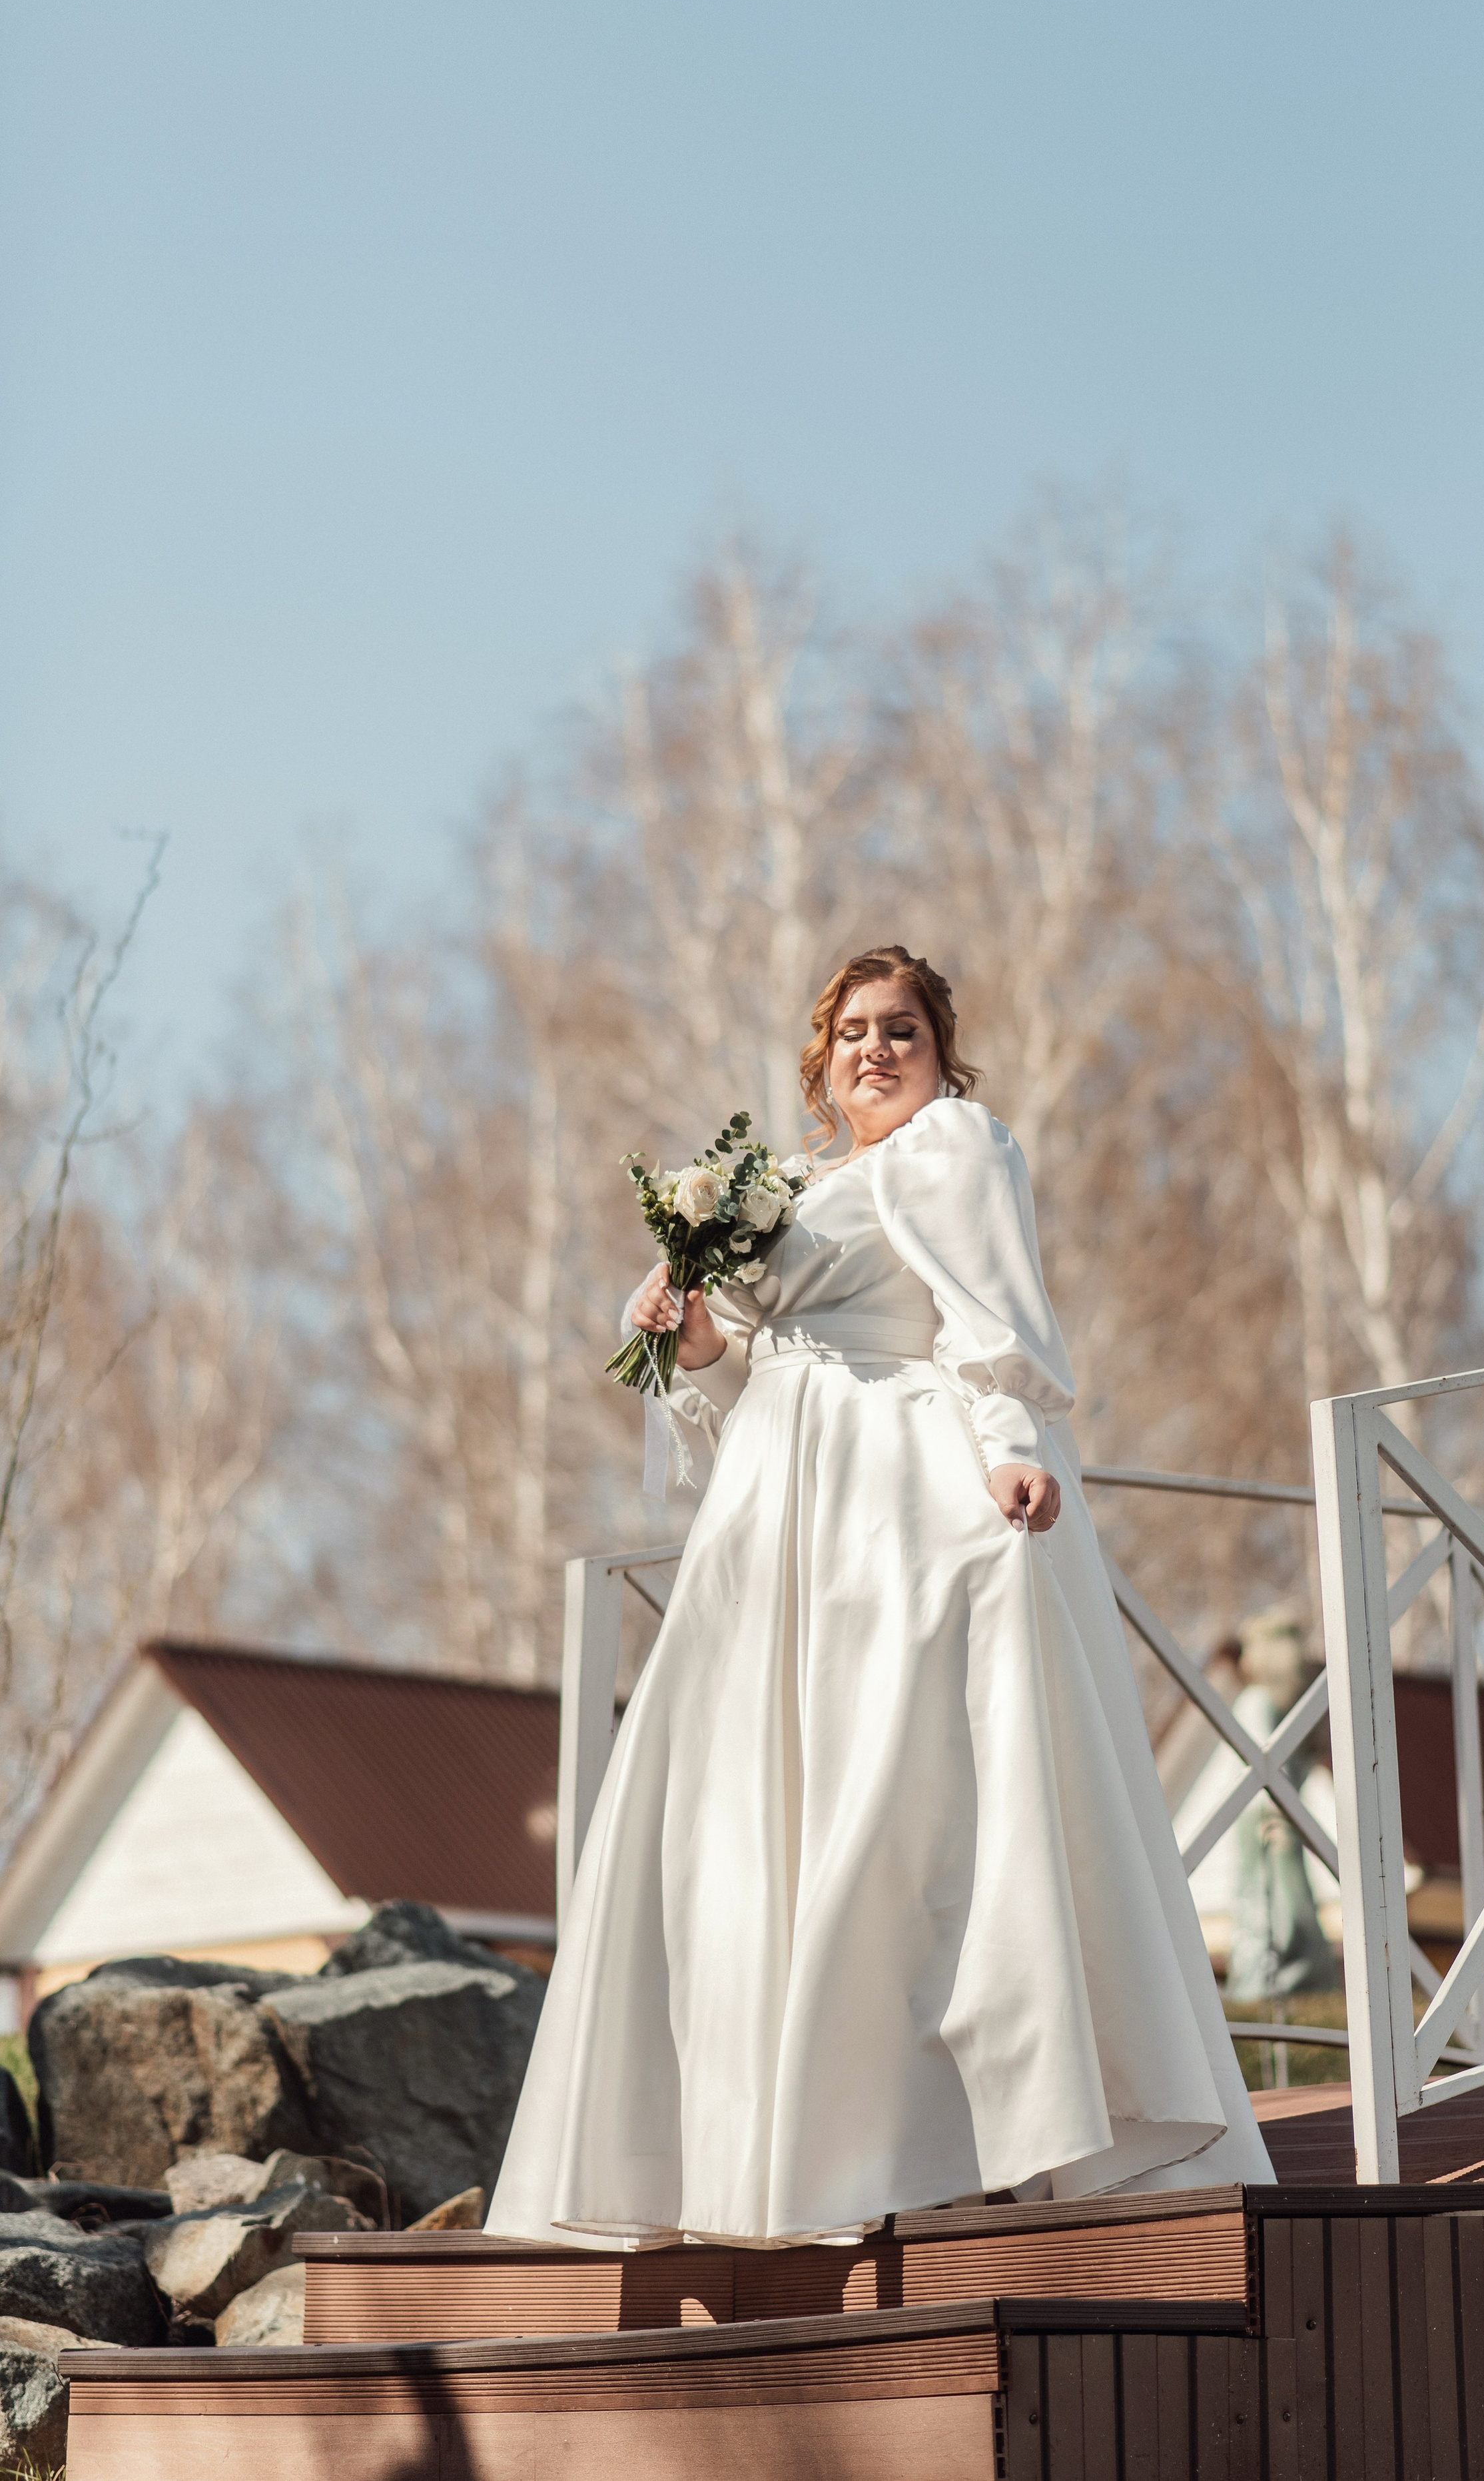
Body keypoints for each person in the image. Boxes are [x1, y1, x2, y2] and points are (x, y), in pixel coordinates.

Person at [488, 946, 1273, 2248]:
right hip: (774, 1515)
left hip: (899, 1495)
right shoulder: (787, 1185)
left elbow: (985, 1310)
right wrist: (690, 1335)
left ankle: (935, 2133)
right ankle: (754, 2159)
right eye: (850, 1031)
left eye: (899, 1028)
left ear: (938, 1047)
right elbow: (740, 1385)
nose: (873, 1049)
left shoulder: (952, 1147)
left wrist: (1013, 1443)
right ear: (818, 1059)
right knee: (740, 1824)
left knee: (899, 1801)